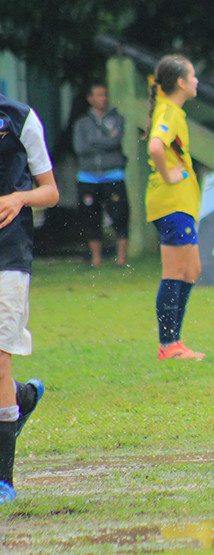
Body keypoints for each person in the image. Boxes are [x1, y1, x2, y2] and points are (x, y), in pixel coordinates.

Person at [0, 93, 60, 504]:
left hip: (9, 253)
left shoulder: (20, 118)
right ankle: (18, 398)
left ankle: (3, 479)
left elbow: (51, 191)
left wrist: (20, 197)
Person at [145, 55, 205, 361]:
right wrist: (170, 175)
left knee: (192, 270)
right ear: (181, 83)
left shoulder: (172, 111)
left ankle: (174, 342)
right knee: (175, 271)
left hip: (181, 202)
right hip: (171, 202)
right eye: (192, 76)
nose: (196, 81)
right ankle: (168, 345)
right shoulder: (168, 111)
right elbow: (156, 145)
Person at [72, 83, 130, 267]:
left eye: (105, 94)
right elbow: (80, 148)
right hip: (88, 176)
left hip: (113, 174)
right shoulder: (82, 123)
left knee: (120, 215)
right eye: (98, 95)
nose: (103, 98)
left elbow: (115, 141)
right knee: (91, 217)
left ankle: (122, 259)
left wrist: (95, 142)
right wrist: (105, 141)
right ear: (90, 98)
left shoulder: (117, 119)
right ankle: (96, 259)